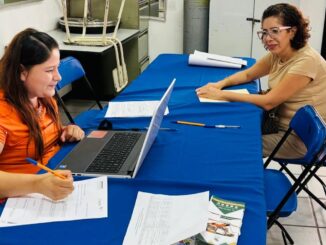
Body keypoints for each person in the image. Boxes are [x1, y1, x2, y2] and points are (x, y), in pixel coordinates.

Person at [196, 3, 326, 159]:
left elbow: (268, 102)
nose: (267, 38)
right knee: (228, 127)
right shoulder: (279, 53)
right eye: (264, 32)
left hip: (300, 138)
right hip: (278, 123)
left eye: (275, 31)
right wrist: (219, 85)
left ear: (292, 31)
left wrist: (222, 95)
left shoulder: (306, 61)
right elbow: (248, 75)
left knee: (231, 143)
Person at [0, 28, 85, 200]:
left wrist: (65, 131)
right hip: (20, 200)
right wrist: (37, 184)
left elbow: (33, 134)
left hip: (52, 179)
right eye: (49, 70)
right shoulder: (3, 114)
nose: (58, 77)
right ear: (22, 72)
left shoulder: (42, 97)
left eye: (57, 68)